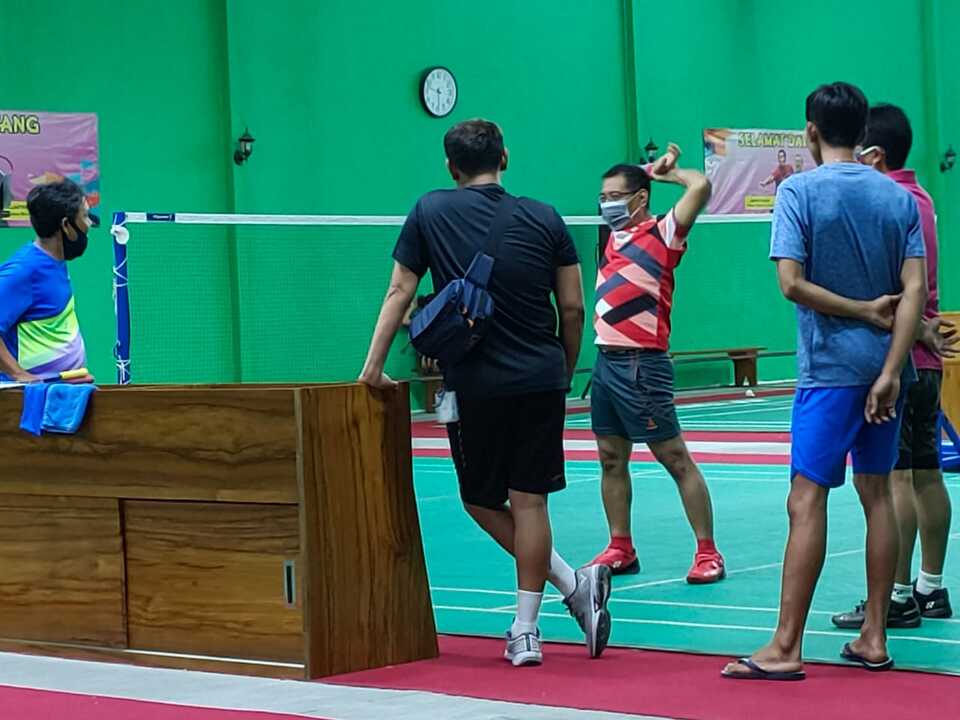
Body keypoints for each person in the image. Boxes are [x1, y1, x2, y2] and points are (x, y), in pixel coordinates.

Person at [358, 119, 612, 667]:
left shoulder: (428, 210)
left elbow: (401, 289)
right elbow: (572, 307)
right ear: (505, 157)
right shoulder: (546, 217)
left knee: (480, 500)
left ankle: (555, 603)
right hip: (540, 378)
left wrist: (373, 368)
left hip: (474, 384)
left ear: (451, 168)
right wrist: (563, 369)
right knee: (530, 501)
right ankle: (541, 616)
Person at [723, 82, 927, 681]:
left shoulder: (797, 191)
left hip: (830, 372)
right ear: (862, 133)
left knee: (806, 499)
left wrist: (859, 311)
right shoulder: (898, 198)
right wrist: (890, 371)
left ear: (810, 132)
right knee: (877, 494)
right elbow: (914, 290)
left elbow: (791, 283)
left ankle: (786, 647)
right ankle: (874, 637)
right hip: (887, 371)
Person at [832, 103, 954, 630]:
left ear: (875, 154)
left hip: (902, 359)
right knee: (926, 473)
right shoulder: (922, 197)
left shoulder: (892, 202)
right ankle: (931, 586)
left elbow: (900, 288)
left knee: (897, 478)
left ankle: (898, 596)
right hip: (928, 361)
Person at [588, 144, 725, 584]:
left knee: (674, 457)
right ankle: (620, 547)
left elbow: (700, 186)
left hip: (641, 364)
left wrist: (661, 171)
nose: (607, 204)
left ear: (640, 198)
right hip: (605, 362)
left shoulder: (664, 232)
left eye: (615, 196)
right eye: (603, 197)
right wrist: (638, 172)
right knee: (610, 458)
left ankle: (708, 552)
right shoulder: (612, 237)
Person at [0, 180, 91, 383]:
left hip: (62, 390)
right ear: (66, 226)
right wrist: (19, 374)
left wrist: (74, 374)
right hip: (31, 398)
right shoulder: (23, 270)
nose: (89, 224)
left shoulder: (55, 261)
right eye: (85, 216)